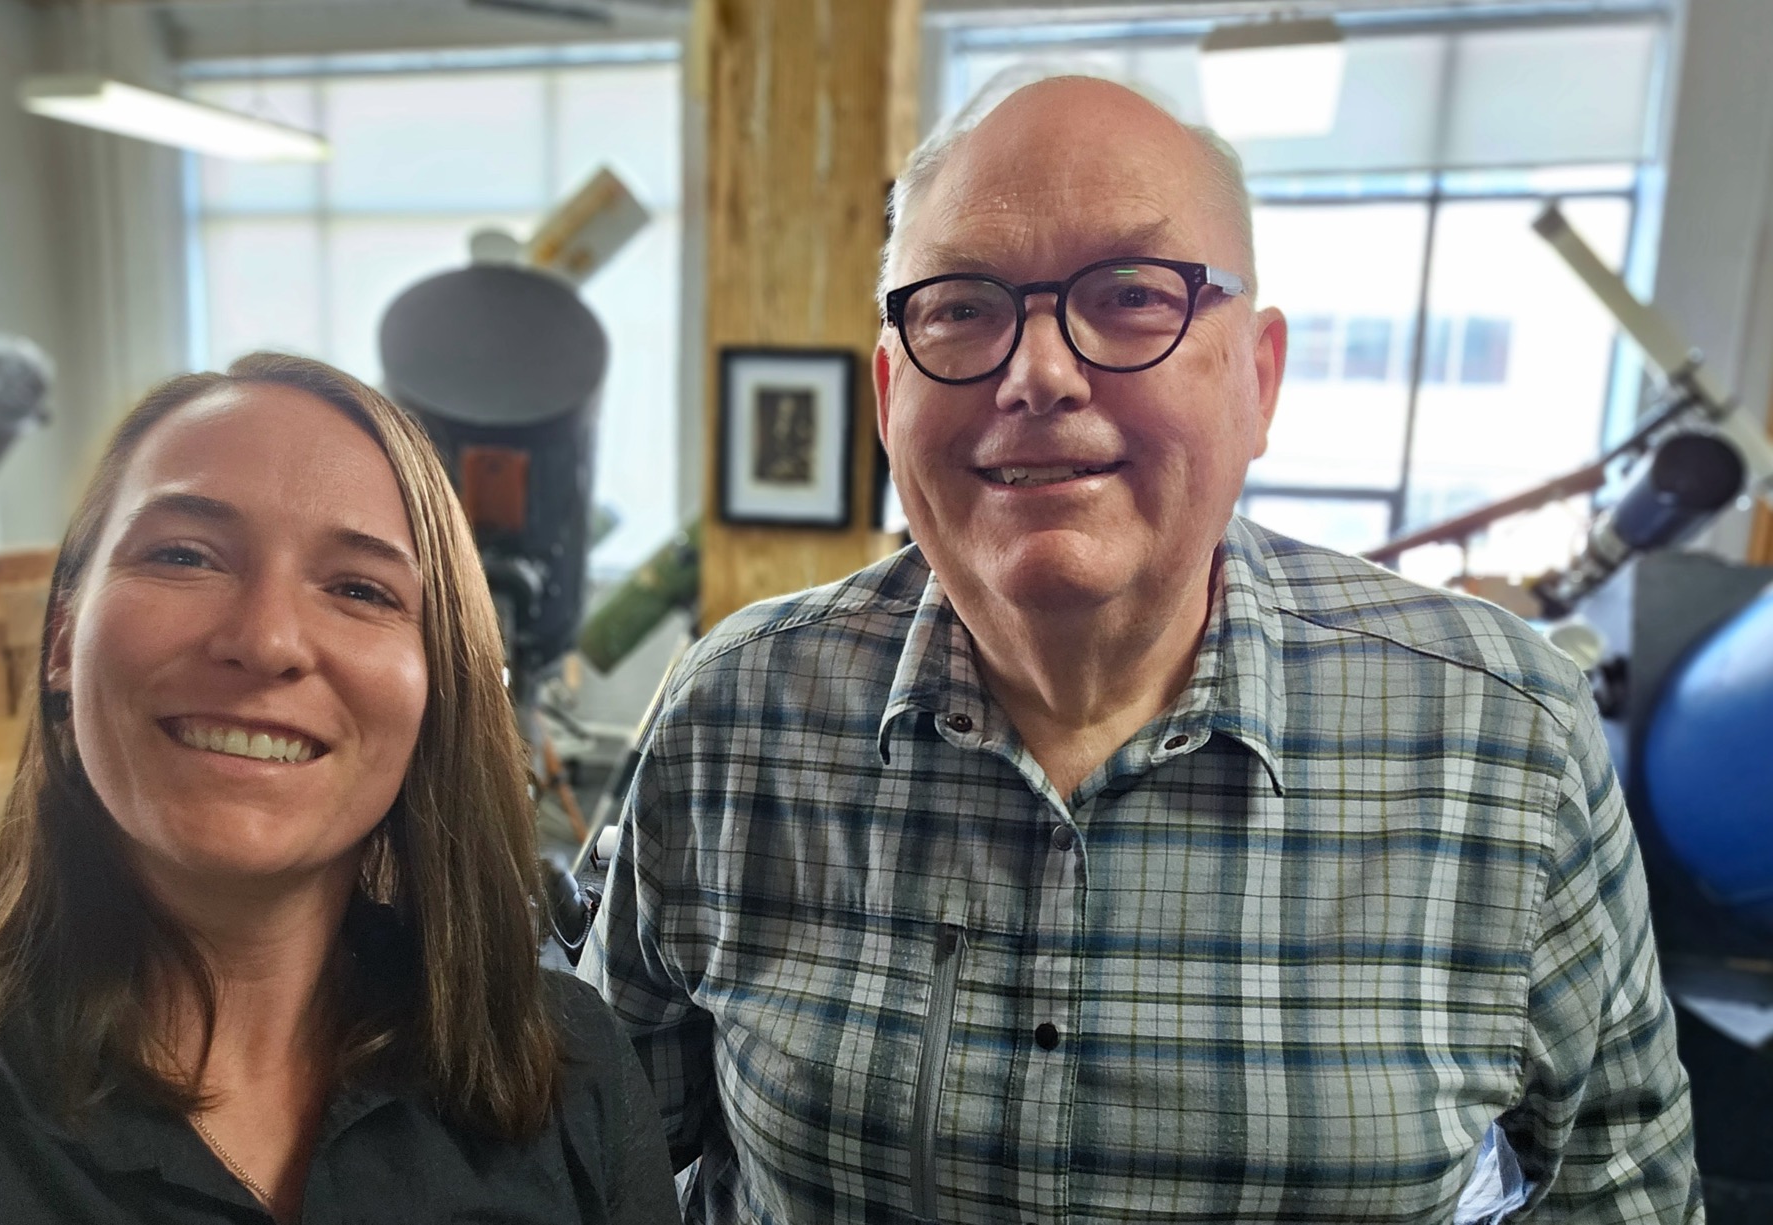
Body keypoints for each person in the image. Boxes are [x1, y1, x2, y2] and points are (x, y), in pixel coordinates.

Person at [580, 74, 1701, 1223]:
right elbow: (591, 1159)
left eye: (1129, 295)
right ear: (886, 391)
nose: (1037, 373)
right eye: (959, 307)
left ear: (1257, 379)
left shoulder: (1505, 741)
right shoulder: (734, 712)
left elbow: (1619, 1193)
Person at [0, 353, 678, 1224]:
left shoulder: (569, 1071)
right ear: (62, 637)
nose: (266, 639)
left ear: (442, 683)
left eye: (361, 589)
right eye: (184, 556)